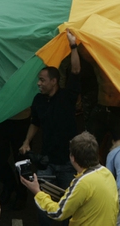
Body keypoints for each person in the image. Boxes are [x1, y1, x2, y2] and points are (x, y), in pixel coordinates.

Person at [19, 29, 81, 190]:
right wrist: (26, 141)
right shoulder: (38, 100)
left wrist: (73, 45)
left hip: (67, 161)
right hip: (46, 161)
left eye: (42, 80)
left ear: (54, 81)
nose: (38, 83)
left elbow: (75, 71)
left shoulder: (67, 97)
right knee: (43, 197)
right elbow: (35, 122)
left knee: (67, 198)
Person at [21, 131, 118, 226]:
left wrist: (37, 192)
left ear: (72, 158)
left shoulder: (83, 182)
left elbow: (58, 213)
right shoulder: (107, 173)